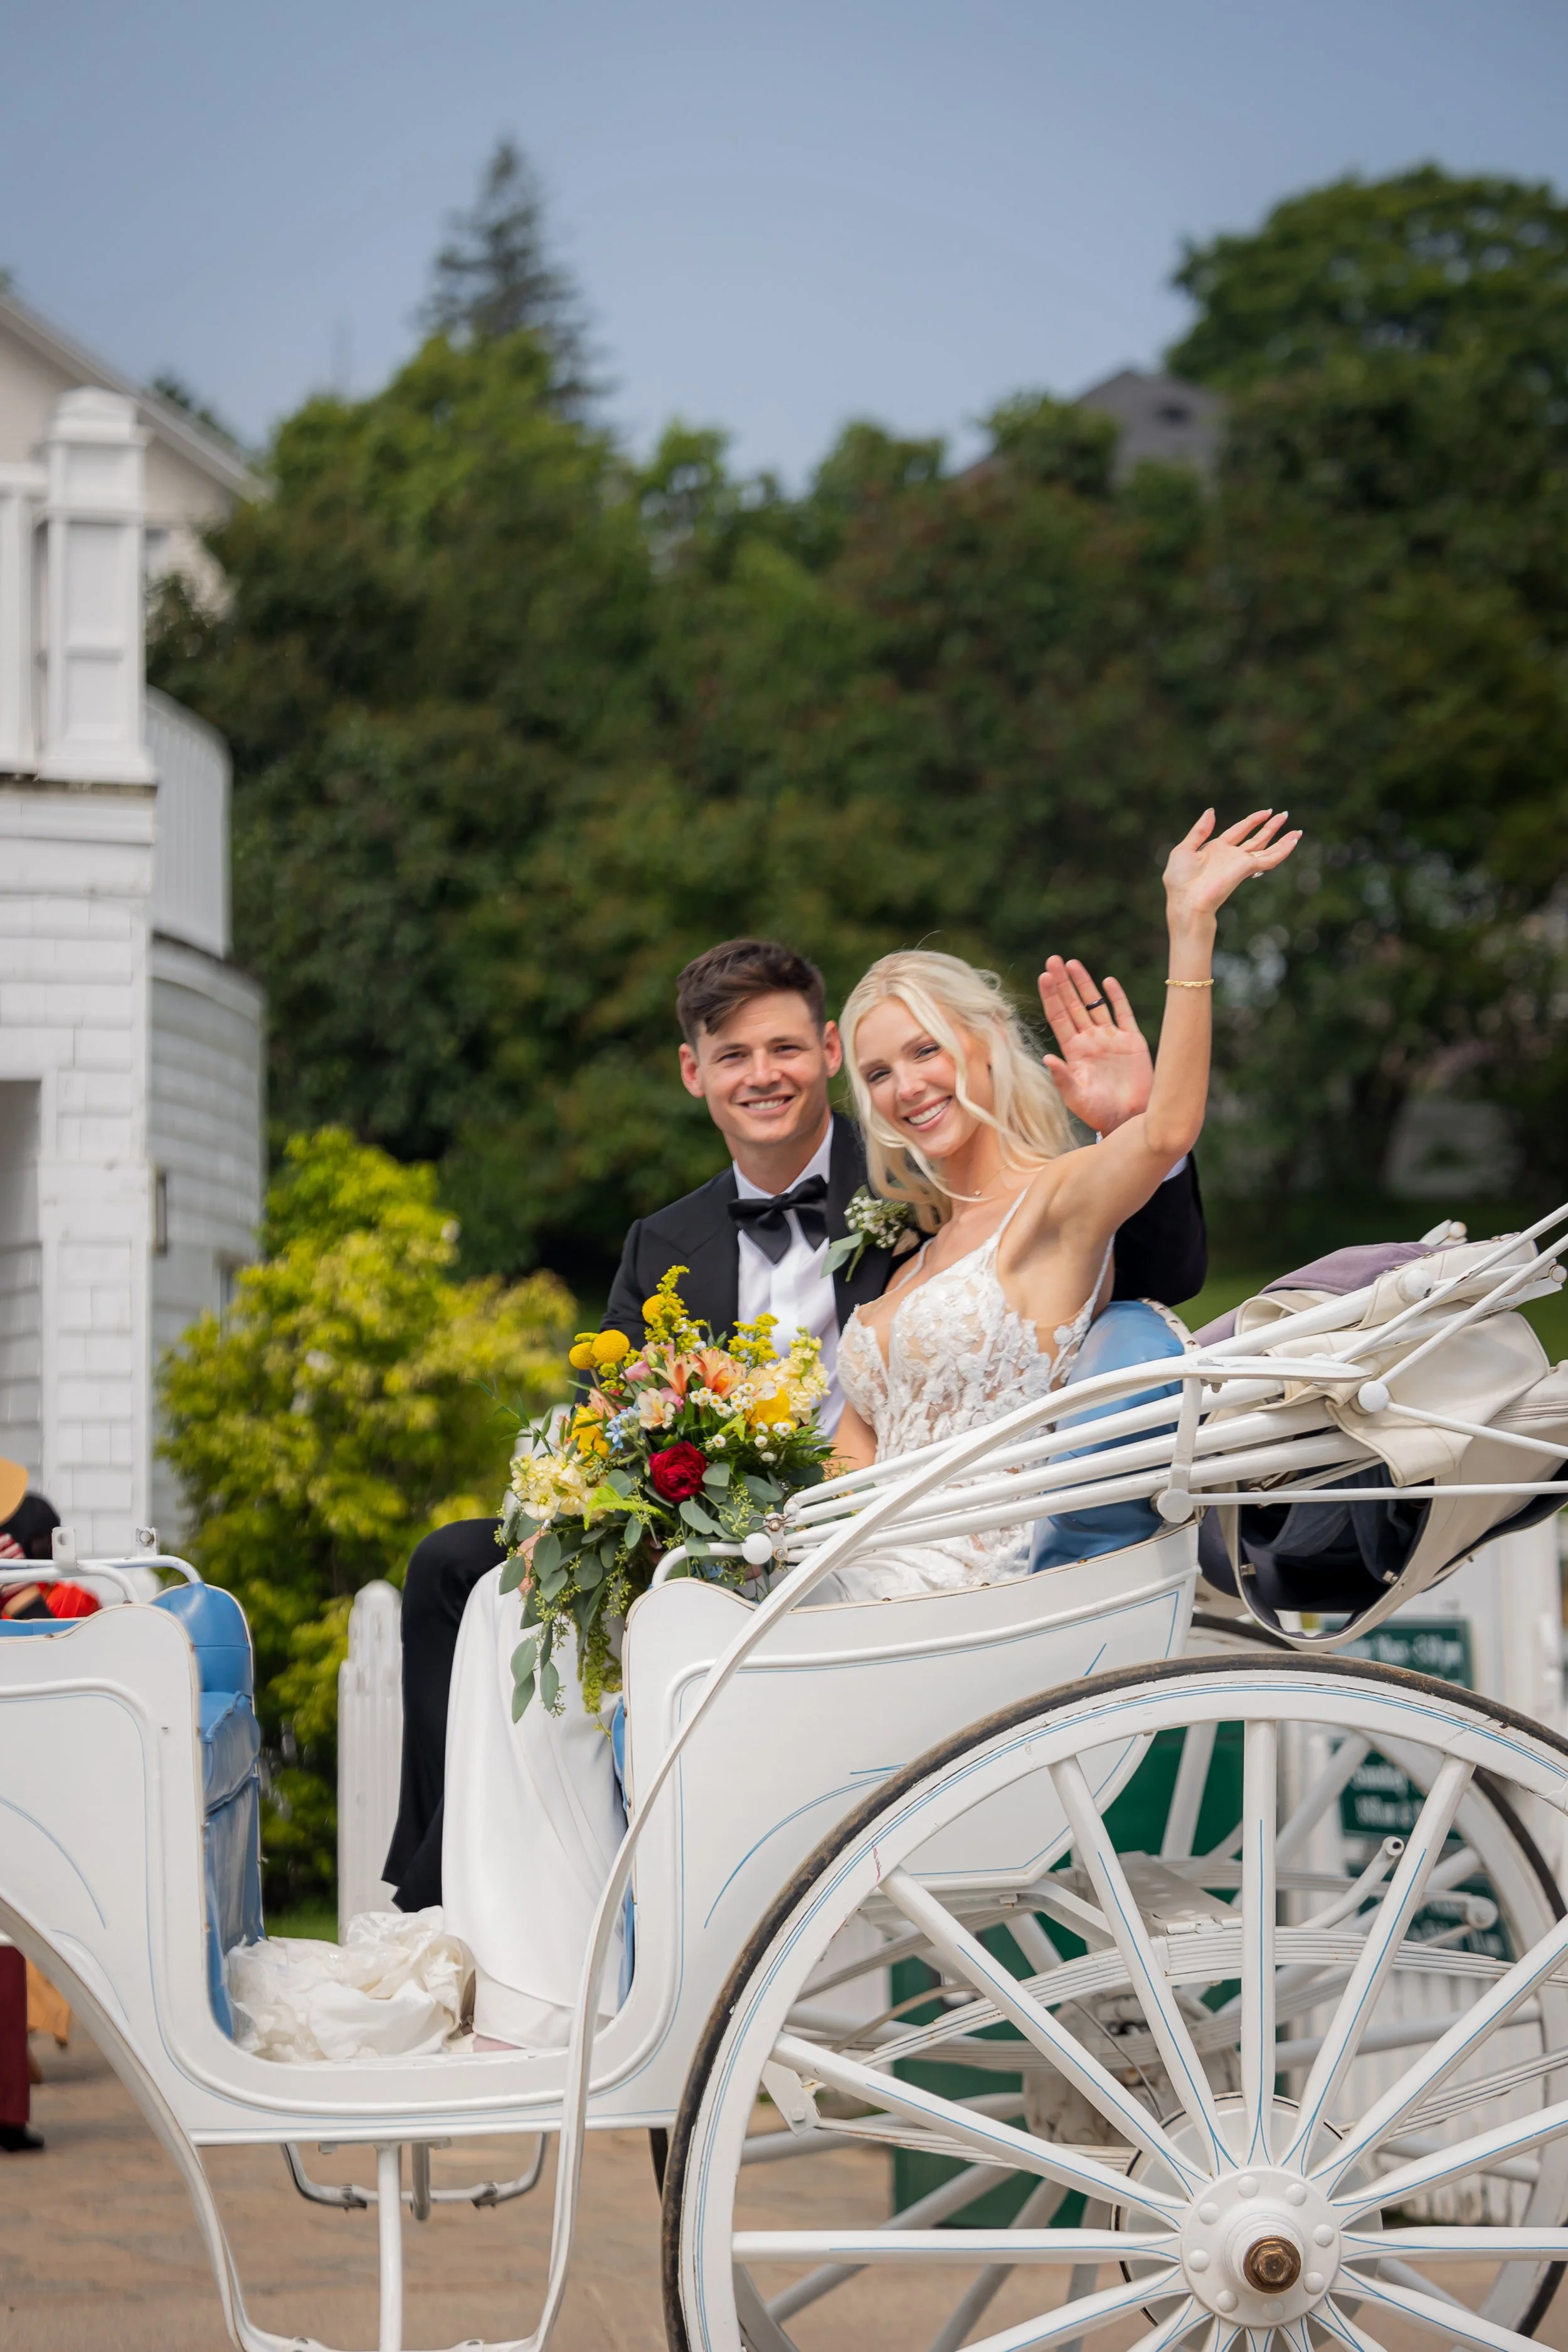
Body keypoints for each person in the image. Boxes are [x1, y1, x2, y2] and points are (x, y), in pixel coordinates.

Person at [381, 934, 1210, 1911]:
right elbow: (617, 1410)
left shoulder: (911, 1182)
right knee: (468, 1573)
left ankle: (612, 1907)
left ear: (823, 1055)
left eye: (785, 1049)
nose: (764, 1075)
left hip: (920, 1545)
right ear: (693, 1072)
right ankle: (456, 1899)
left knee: (663, 1639)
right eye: (733, 1054)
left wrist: (1137, 1116)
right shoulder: (680, 1238)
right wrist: (592, 1514)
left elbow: (1141, 1257)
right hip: (764, 1520)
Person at [828, 806, 1300, 1597]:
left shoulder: (1051, 1202)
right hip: (857, 1575)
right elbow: (844, 1479)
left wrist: (1190, 927)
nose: (905, 1087)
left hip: (977, 1590)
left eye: (924, 1050)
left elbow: (1167, 1131)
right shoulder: (905, 1261)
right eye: (878, 1073)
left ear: (985, 1041)